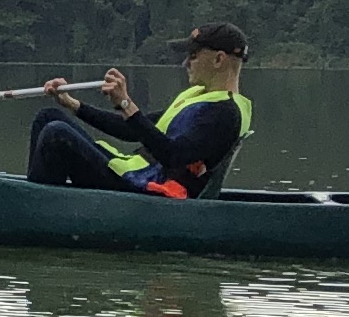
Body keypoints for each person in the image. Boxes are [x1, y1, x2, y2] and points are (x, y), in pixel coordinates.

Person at [23, 24, 253, 198]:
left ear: (218, 60)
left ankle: (36, 206)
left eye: (193, 55)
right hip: (136, 174)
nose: (186, 63)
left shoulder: (225, 113)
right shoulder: (199, 98)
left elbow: (173, 156)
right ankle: (40, 197)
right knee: (48, 117)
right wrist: (73, 105)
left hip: (151, 190)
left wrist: (126, 104)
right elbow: (131, 130)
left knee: (56, 134)